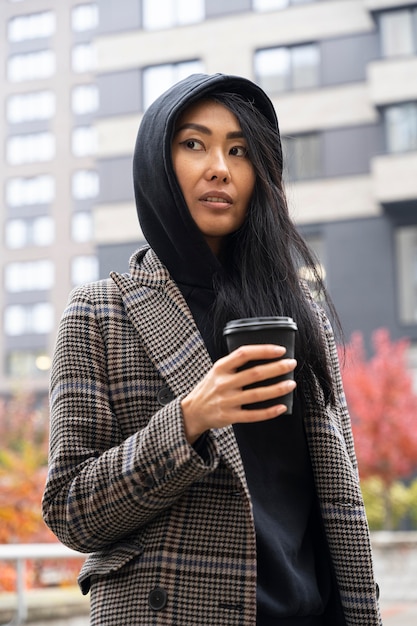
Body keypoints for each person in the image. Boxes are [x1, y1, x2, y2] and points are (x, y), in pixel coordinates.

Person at [42, 73, 382, 626]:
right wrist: (190, 419)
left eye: (240, 150)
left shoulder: (301, 314)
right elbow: (70, 510)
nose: (219, 167)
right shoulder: (99, 312)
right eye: (194, 143)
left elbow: (340, 500)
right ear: (158, 160)